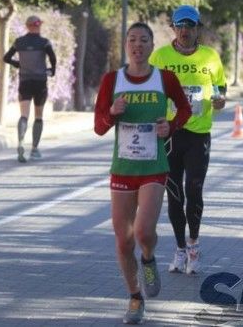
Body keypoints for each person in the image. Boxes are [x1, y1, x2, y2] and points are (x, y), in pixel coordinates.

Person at [94, 22, 191, 324]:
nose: (137, 45)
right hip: (123, 169)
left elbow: (185, 109)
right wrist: (112, 113)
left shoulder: (165, 78)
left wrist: (170, 126)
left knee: (142, 232)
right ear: (126, 45)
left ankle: (148, 259)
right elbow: (98, 127)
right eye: (132, 40)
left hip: (153, 167)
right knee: (123, 241)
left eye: (144, 40)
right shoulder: (113, 80)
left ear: (152, 46)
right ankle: (135, 298)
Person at [149, 5, 227, 275]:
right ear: (173, 27)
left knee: (194, 191)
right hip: (170, 135)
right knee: (174, 195)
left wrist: (219, 101)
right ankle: (180, 248)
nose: (184, 31)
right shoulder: (160, 57)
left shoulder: (210, 57)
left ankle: (194, 244)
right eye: (180, 26)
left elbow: (220, 91)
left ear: (198, 29)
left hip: (198, 133)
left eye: (190, 26)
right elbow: (150, 92)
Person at [3, 15, 56, 163]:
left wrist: (18, 64)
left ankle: (20, 142)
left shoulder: (19, 42)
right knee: (38, 116)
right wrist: (52, 70)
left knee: (24, 115)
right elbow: (53, 58)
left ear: (27, 26)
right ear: (38, 26)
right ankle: (34, 149)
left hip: (25, 81)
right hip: (40, 82)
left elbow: (6, 58)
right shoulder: (44, 43)